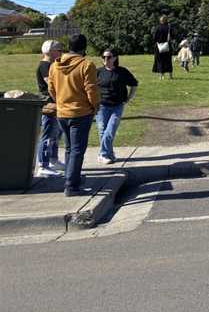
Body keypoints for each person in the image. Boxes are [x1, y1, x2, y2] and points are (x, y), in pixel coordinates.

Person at [47, 33, 100, 196]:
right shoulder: (86, 64)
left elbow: (51, 88)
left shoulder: (55, 65)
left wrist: (60, 102)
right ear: (84, 48)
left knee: (70, 149)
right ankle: (71, 185)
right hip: (81, 112)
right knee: (77, 150)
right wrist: (95, 106)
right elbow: (91, 89)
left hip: (62, 112)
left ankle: (71, 179)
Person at [95, 49, 138, 164]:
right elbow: (90, 87)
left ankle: (103, 154)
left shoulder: (122, 72)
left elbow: (134, 84)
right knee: (102, 130)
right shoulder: (98, 72)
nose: (105, 59)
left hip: (117, 106)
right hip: (101, 106)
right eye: (103, 57)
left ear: (115, 58)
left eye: (108, 57)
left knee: (110, 130)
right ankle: (108, 154)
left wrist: (129, 98)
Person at [34, 39, 65, 177]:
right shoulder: (45, 66)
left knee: (56, 134)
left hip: (56, 104)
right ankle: (43, 164)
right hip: (49, 105)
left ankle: (53, 159)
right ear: (50, 51)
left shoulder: (52, 65)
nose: (61, 53)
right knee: (47, 134)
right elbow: (51, 84)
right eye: (59, 50)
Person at [152, 15, 173, 80]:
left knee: (160, 61)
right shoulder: (169, 27)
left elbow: (155, 38)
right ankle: (170, 76)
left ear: (161, 21)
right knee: (168, 61)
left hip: (159, 46)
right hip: (167, 46)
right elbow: (173, 36)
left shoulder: (158, 28)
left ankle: (161, 76)